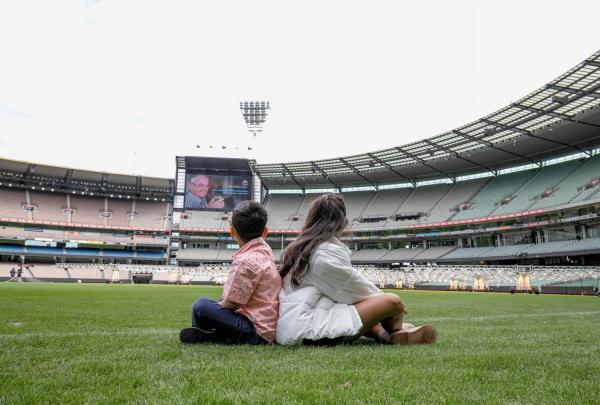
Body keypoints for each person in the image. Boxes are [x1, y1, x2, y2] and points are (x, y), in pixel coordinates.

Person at [276, 194, 437, 346]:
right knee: (393, 301)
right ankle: (397, 330)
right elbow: (353, 288)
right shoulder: (322, 254)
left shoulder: (301, 249)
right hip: (309, 331)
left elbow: (349, 291)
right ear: (342, 224)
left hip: (300, 323)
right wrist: (396, 309)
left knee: (355, 310)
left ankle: (386, 336)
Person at [180, 200, 281, 345]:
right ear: (265, 232)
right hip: (267, 330)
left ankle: (208, 335)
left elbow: (232, 304)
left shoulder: (245, 261)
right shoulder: (265, 251)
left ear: (232, 231)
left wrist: (215, 307)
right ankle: (217, 335)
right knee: (218, 301)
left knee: (200, 306)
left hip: (254, 332)